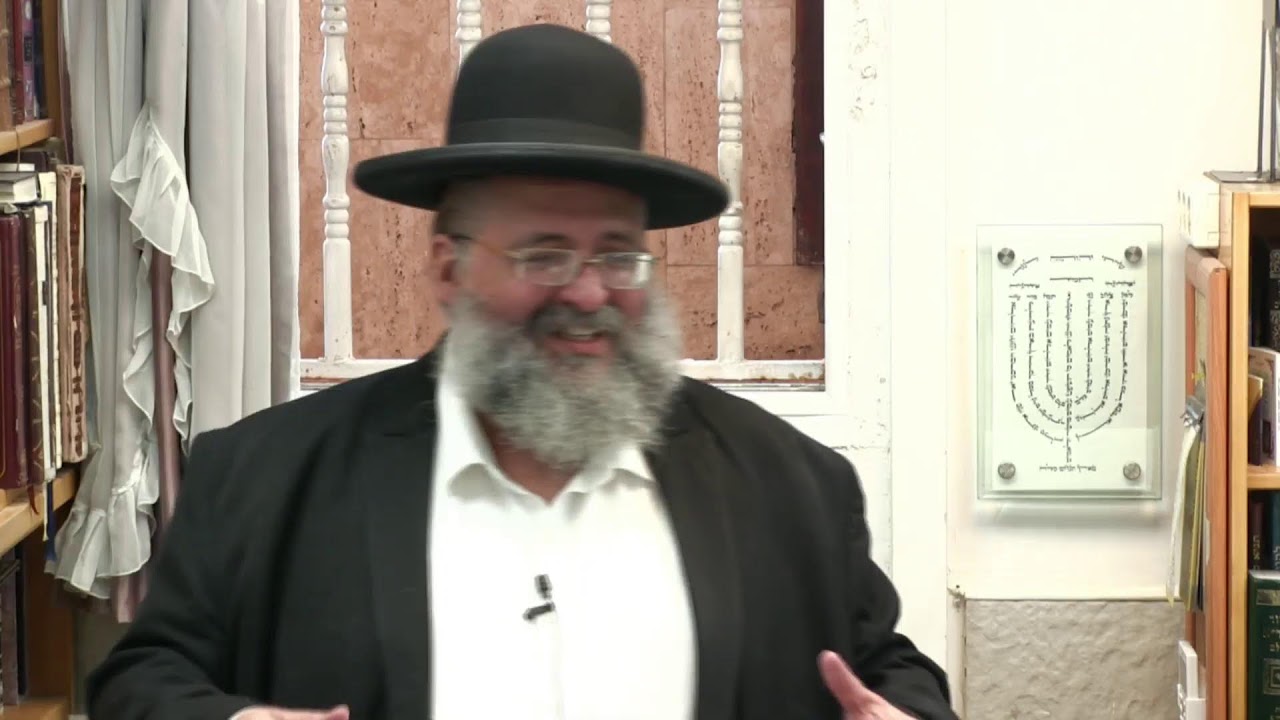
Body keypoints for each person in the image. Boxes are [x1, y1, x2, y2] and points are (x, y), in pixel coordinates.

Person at [85, 22, 957, 720]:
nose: (588, 293)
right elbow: (143, 681)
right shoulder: (266, 476)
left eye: (618, 254)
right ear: (448, 268)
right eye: (543, 254)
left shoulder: (792, 486)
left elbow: (889, 672)